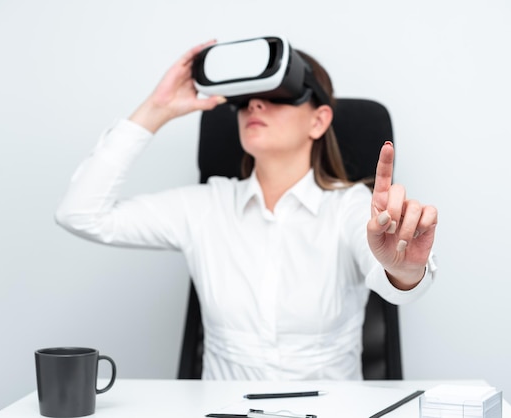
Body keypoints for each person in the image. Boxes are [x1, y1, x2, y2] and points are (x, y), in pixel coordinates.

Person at [55, 39, 438, 380]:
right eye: (247, 98)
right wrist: (156, 109)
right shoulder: (205, 206)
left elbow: (394, 277)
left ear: (319, 120)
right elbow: (80, 214)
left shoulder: (348, 209)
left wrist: (403, 270)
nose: (255, 104)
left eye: (278, 95)